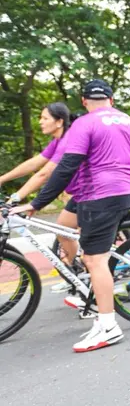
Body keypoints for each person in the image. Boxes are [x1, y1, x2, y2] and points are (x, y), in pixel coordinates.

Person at [11, 79, 130, 352]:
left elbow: (66, 167)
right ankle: (97, 309)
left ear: (84, 101)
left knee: (95, 259)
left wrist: (36, 203)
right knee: (88, 250)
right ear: (111, 99)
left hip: (100, 195)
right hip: (126, 192)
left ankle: (108, 326)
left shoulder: (84, 123)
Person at [2, 103, 83, 295]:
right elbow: (34, 164)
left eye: (45, 118)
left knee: (87, 244)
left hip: (90, 194)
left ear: (59, 122)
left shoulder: (68, 140)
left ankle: (88, 284)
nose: (40, 122)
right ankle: (76, 274)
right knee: (64, 230)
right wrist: (2, 179)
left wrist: (15, 198)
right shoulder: (57, 141)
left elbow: (44, 174)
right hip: (79, 194)